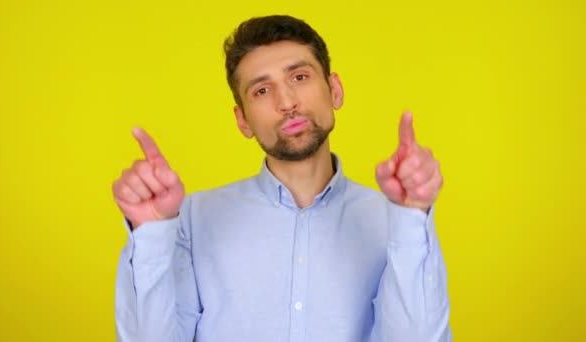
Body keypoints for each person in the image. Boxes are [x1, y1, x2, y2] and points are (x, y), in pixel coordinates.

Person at [113, 15, 451, 342]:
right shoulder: (191, 219)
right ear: (242, 120)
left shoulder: (392, 220)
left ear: (334, 89)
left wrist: (411, 218)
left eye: (300, 77)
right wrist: (151, 233)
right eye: (261, 90)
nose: (287, 102)